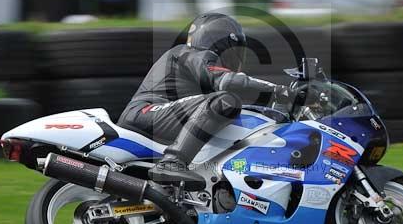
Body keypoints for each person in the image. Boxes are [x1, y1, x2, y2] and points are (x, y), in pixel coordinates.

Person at [118, 13, 294, 187]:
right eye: (235, 51)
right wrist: (278, 89)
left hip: (161, 119)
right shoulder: (189, 54)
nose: (238, 59)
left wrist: (281, 108)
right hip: (146, 112)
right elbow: (228, 81)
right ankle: (171, 162)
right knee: (225, 101)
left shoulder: (198, 77)